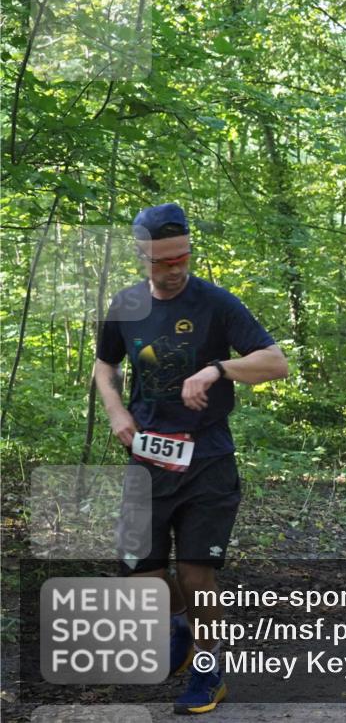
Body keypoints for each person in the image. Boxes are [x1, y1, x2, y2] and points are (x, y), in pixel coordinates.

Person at [95, 203, 288, 715]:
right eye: (163, 261)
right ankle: (179, 626)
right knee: (144, 580)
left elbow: (275, 362)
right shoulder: (125, 305)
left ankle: (208, 670)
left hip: (207, 459)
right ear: (143, 258)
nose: (176, 267)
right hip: (147, 458)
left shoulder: (217, 304)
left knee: (196, 572)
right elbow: (104, 364)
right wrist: (117, 411)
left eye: (182, 256)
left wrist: (218, 370)